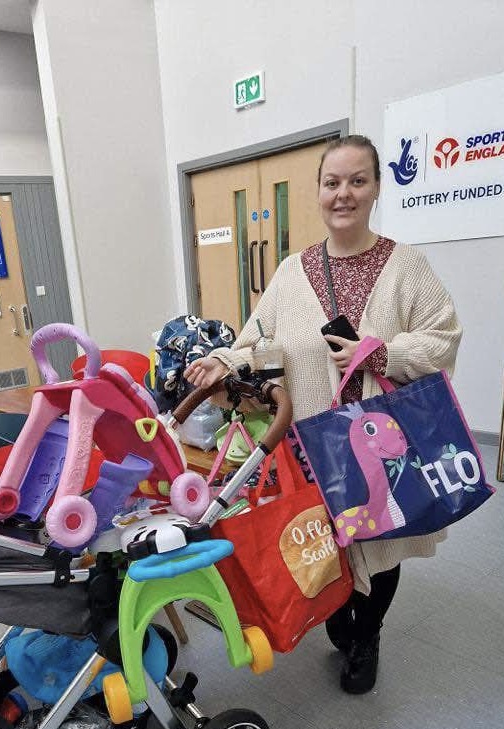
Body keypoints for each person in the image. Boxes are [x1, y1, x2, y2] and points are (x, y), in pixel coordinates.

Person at [184, 134, 462, 695]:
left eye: (357, 181)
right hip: (313, 444)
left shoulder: (408, 267)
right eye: (332, 182)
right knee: (326, 537)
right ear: (317, 191)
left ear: (377, 188)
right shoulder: (292, 272)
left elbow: (443, 337)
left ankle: (369, 637)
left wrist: (382, 353)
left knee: (377, 544)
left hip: (382, 443)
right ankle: (339, 615)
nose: (344, 193)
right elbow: (258, 338)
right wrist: (221, 359)